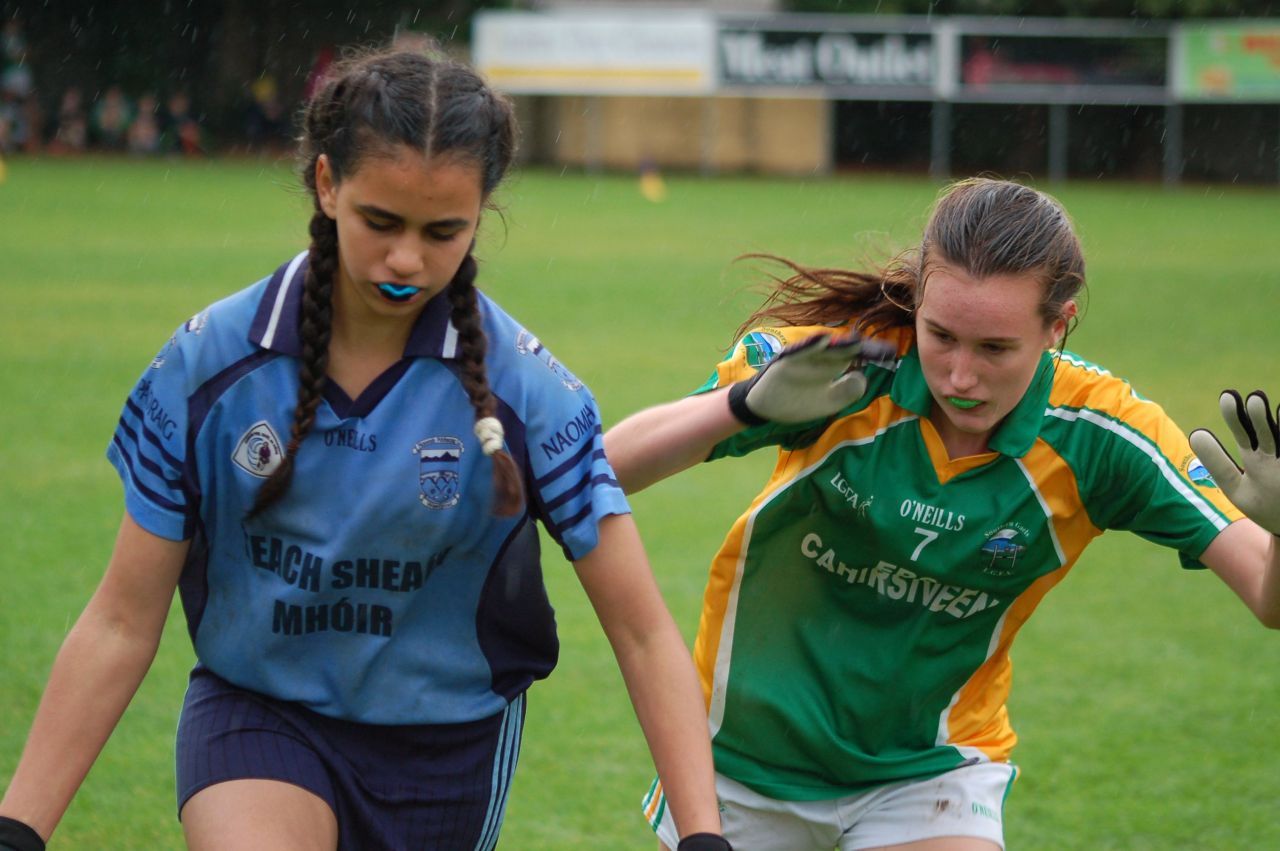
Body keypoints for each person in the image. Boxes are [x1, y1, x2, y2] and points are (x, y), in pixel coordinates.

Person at [0, 47, 731, 851]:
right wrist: (17, 828)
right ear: (325, 184)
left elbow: (641, 629)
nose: (407, 259)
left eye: (442, 230)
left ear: (481, 214)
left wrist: (703, 837)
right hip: (259, 713)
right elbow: (118, 619)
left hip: (447, 747)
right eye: (380, 222)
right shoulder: (209, 365)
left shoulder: (530, 390)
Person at [605, 177, 1279, 851]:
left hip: (929, 772)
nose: (959, 375)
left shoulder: (1101, 435)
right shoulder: (841, 366)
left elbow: (1265, 593)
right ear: (918, 299)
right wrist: (745, 404)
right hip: (745, 758)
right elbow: (598, 471)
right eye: (941, 335)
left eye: (995, 349)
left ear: (1058, 325)